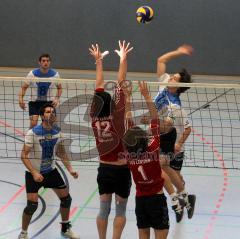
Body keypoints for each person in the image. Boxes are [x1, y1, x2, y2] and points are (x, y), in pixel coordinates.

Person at [89, 41, 133, 239]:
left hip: (104, 168)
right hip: (121, 169)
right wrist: (123, 59)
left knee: (103, 209)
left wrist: (98, 62)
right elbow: (121, 81)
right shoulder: (118, 117)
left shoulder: (94, 116)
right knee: (120, 211)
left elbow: (99, 85)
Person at [18, 103, 79, 239]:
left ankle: (65, 228)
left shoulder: (58, 132)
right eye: (47, 111)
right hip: (34, 173)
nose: (50, 113)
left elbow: (61, 152)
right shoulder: (33, 133)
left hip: (50, 171)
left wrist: (70, 170)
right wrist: (34, 172)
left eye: (52, 111)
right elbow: (23, 155)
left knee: (66, 199)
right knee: (32, 206)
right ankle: (23, 233)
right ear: (41, 116)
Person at [123, 81, 169, 239]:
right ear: (144, 138)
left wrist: (127, 97)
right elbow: (155, 118)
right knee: (161, 233)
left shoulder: (128, 156)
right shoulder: (154, 148)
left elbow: (127, 121)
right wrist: (147, 95)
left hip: (140, 200)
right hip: (156, 199)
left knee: (143, 233)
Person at [154, 44, 196, 219]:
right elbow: (161, 60)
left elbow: (188, 129)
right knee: (167, 173)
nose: (170, 76)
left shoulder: (176, 107)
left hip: (175, 145)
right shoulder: (164, 83)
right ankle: (184, 198)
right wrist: (178, 52)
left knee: (170, 175)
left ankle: (182, 198)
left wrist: (179, 143)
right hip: (163, 140)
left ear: (178, 86)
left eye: (175, 78)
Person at [19, 53, 62, 128]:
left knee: (50, 123)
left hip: (48, 103)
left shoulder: (55, 75)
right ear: (39, 62)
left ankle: (48, 139)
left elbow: (60, 88)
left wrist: (57, 98)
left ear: (50, 62)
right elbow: (24, 88)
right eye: (43, 61)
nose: (46, 62)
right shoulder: (32, 74)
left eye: (47, 61)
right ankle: (29, 138)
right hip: (34, 103)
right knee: (33, 123)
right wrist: (20, 99)